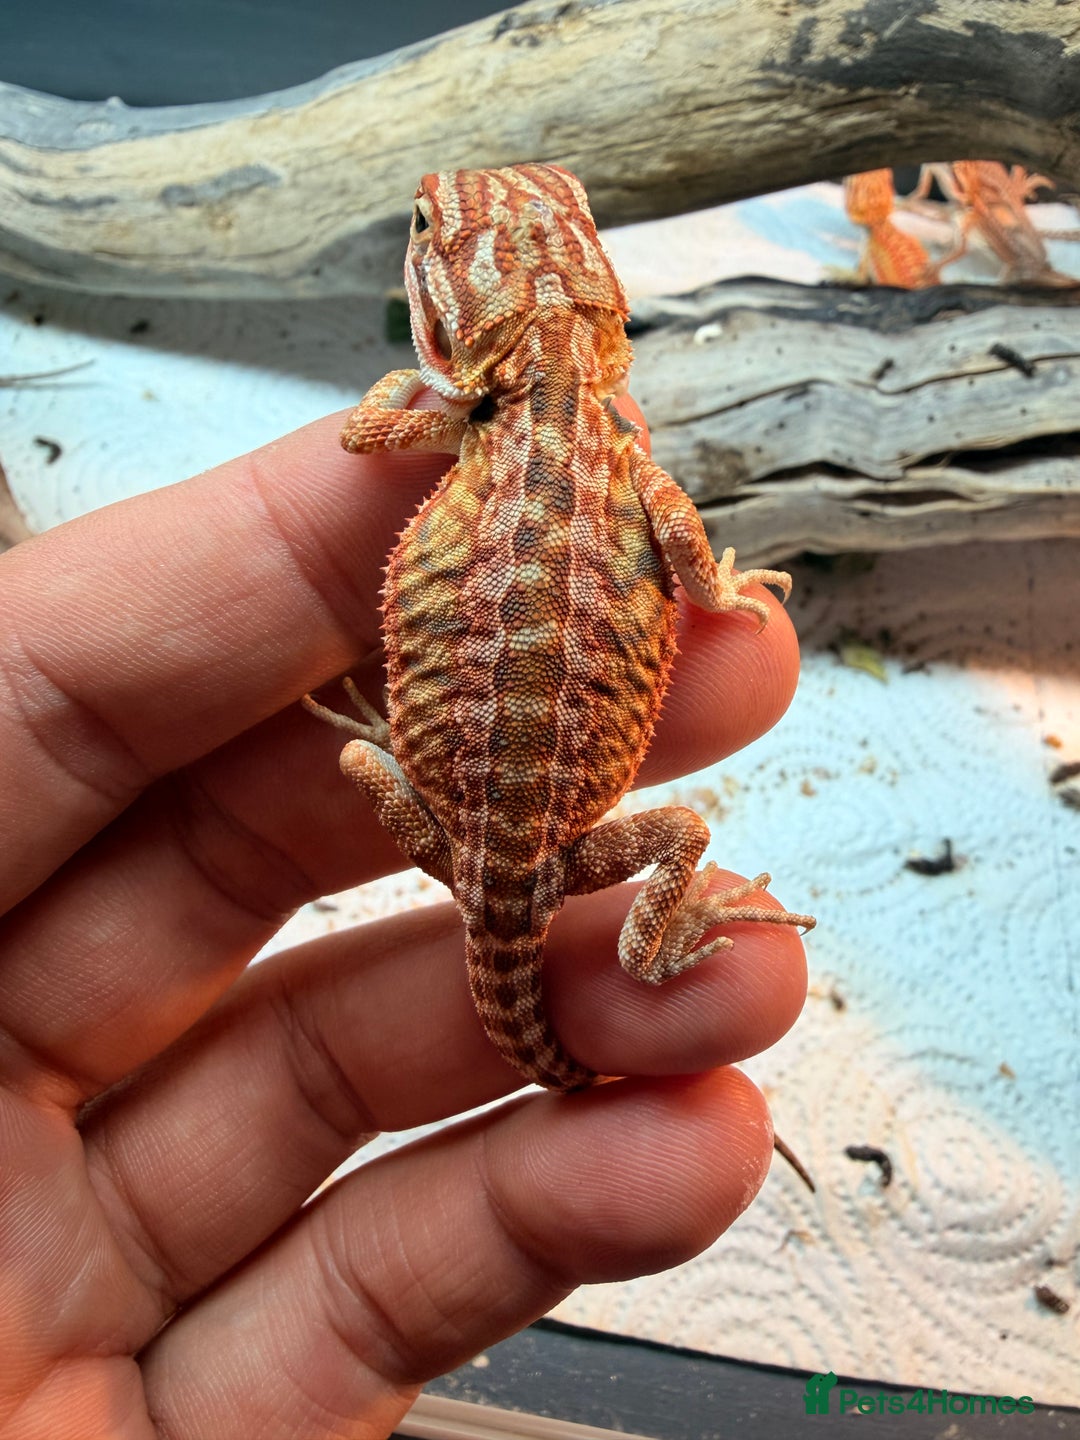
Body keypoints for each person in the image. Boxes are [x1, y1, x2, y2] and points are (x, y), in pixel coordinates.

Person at [0, 404, 808, 1438]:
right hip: (530, 853)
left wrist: (409, 738)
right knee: (681, 833)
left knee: (360, 757)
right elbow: (689, 560)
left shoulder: (506, 436)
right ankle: (652, 949)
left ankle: (627, 949)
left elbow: (374, 430)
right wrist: (720, 593)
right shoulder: (627, 471)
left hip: (469, 842)